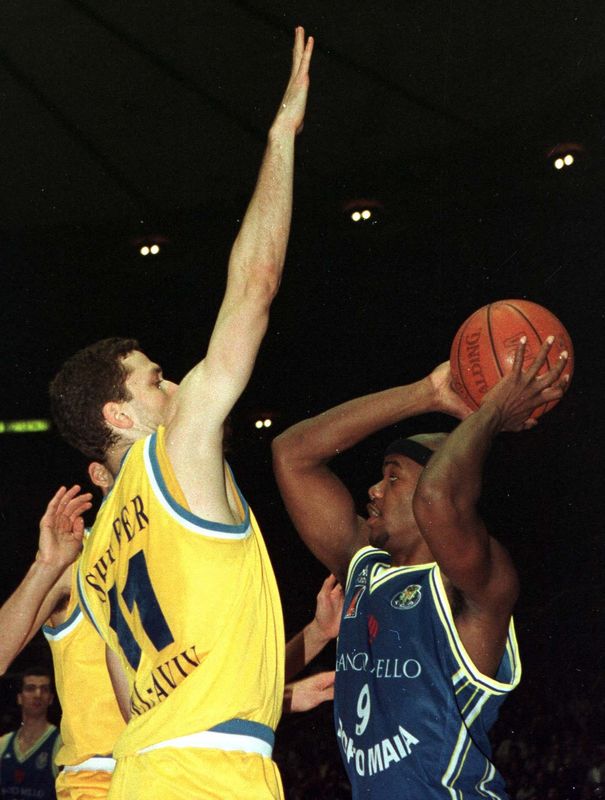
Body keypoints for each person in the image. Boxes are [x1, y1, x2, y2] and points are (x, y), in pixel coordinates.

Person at [48, 26, 313, 800]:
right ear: (120, 415)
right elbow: (254, 285)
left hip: (143, 771)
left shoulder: (97, 560)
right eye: (155, 381)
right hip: (212, 774)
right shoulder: (179, 450)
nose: (172, 389)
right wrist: (281, 139)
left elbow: (132, 701)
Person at [272, 338, 569, 798]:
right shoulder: (364, 567)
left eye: (392, 477)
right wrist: (427, 393)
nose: (373, 490)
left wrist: (492, 412)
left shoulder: (474, 583)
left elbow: (437, 498)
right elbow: (292, 453)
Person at [0, 468, 339, 797]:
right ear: (100, 474)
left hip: (172, 765)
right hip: (100, 779)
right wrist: (46, 566)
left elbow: (211, 680)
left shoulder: (175, 553)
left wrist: (316, 637)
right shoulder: (75, 558)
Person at [0, 667, 60, 800]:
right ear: (19, 698)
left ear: (51, 698)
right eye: (30, 688)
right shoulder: (3, 743)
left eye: (44, 689)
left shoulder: (60, 743)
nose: (38, 694)